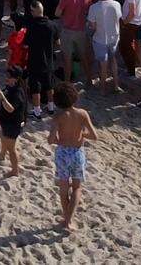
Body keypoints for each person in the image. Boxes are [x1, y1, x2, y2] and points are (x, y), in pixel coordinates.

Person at [48, 82, 97, 232]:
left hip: (62, 153)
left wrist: (60, 140)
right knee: (77, 188)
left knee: (63, 187)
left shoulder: (58, 117)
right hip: (77, 153)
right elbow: (94, 135)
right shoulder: (82, 114)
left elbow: (51, 140)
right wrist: (81, 134)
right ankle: (69, 219)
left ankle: (66, 218)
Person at [86, 0, 122, 94]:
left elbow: (92, 25)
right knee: (113, 61)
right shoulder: (116, 4)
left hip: (100, 38)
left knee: (103, 65)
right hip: (114, 37)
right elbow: (118, 19)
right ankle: (116, 85)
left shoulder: (94, 7)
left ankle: (102, 88)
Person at [0, 66, 27, 176]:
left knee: (11, 148)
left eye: (9, 76)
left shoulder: (18, 93)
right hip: (6, 121)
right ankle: (2, 155)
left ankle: (15, 171)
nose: (6, 78)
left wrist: (2, 97)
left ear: (16, 79)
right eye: (6, 75)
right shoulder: (10, 87)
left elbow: (10, 109)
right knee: (3, 138)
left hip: (14, 124)